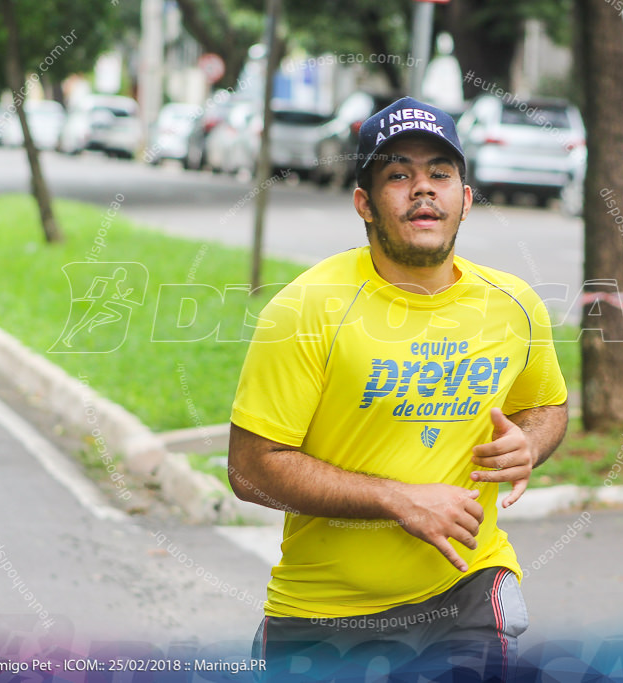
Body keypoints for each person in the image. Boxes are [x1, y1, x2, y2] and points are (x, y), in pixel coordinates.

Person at [228, 96, 568, 681]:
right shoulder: (308, 308)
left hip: (468, 587)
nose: (423, 188)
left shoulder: (514, 304)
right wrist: (397, 499)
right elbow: (250, 470)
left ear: (465, 199)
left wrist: (531, 443)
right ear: (364, 202)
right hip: (323, 614)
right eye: (398, 174)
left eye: (440, 173)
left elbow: (546, 405)